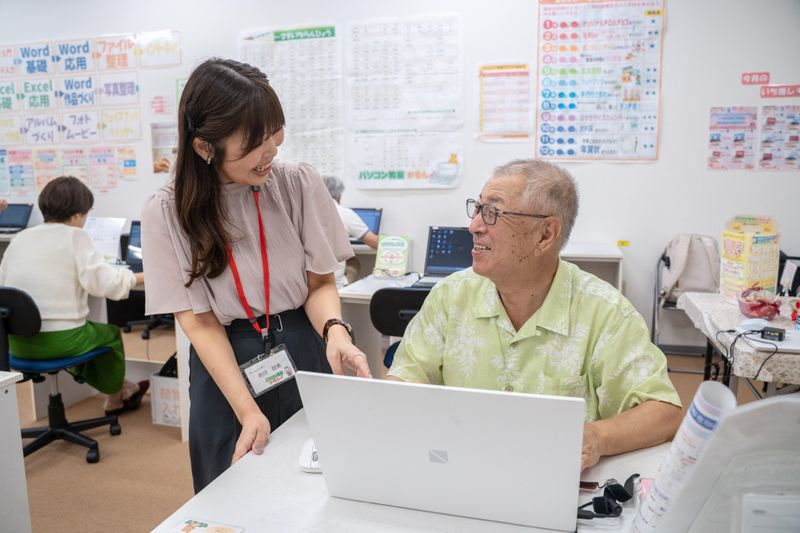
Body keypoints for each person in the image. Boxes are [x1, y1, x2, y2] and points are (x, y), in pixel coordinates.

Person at [141, 58, 372, 492]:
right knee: (233, 491)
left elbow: (319, 283)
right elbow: (199, 321)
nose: (272, 151)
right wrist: (247, 409)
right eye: (255, 141)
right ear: (204, 146)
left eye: (275, 133)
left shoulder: (297, 184)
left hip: (303, 344)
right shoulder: (167, 212)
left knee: (319, 483)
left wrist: (335, 331)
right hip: (226, 360)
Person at [387, 159, 682, 471]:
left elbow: (663, 412)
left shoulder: (604, 312)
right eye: (477, 208)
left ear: (545, 234)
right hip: (458, 470)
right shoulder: (451, 296)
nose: (474, 226)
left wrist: (595, 437)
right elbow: (406, 375)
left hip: (554, 485)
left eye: (493, 213)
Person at [0, 176, 148, 415]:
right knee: (109, 334)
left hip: (16, 344)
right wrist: (142, 276)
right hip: (60, 342)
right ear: (78, 214)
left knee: (88, 331)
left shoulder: (20, 238)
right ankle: (115, 398)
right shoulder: (75, 236)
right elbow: (106, 284)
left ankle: (122, 386)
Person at [322, 176, 379, 288]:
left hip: (306, 281)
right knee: (353, 261)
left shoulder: (304, 211)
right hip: (333, 283)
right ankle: (346, 287)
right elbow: (374, 242)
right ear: (338, 195)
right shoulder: (343, 213)